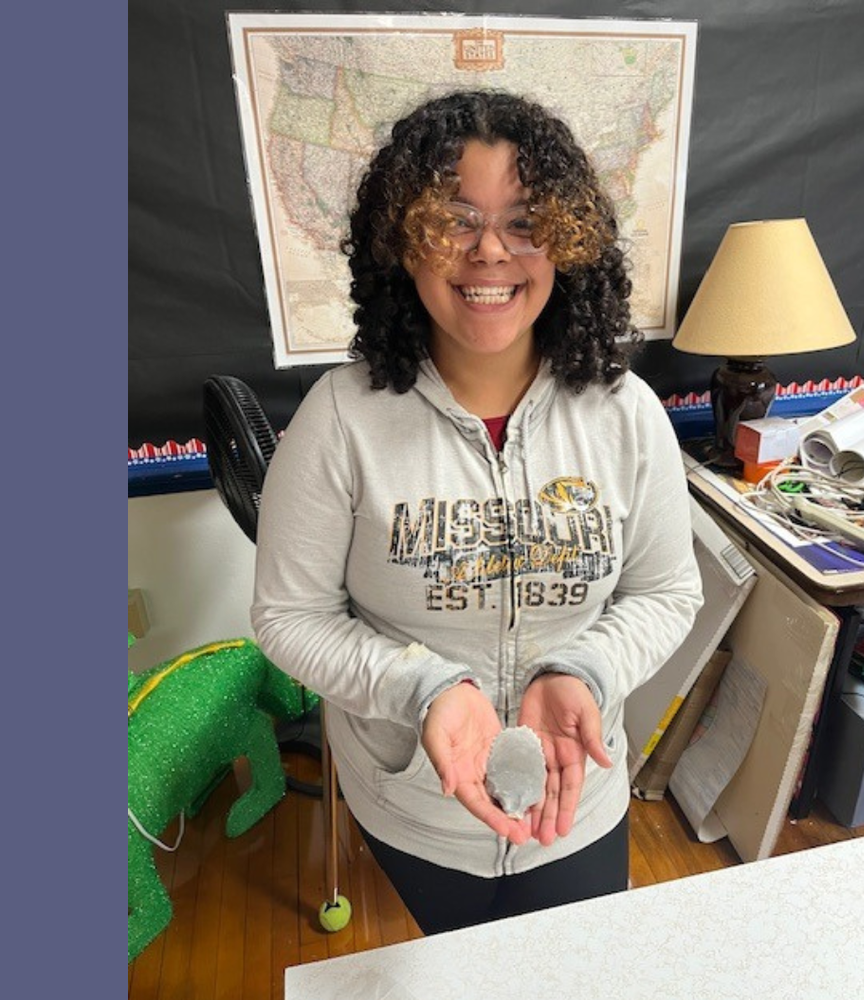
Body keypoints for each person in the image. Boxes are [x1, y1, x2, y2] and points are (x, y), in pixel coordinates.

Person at [251, 89, 704, 935]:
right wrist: (422, 688)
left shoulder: (627, 412)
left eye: (526, 220)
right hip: (412, 809)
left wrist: (590, 671)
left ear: (567, 241)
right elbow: (288, 616)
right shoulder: (340, 419)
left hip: (580, 797)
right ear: (403, 243)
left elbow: (668, 593)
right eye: (454, 220)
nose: (490, 251)